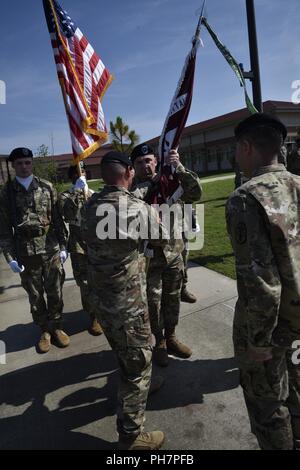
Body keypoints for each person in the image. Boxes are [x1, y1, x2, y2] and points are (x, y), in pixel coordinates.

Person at [80, 151, 168, 450]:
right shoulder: (135, 207)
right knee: (139, 361)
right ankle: (130, 437)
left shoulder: (90, 204)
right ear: (129, 172)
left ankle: (142, 387)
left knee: (124, 351)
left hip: (101, 300)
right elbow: (160, 238)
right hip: (127, 303)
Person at [225, 113, 300, 450]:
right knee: (296, 388)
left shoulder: (246, 197)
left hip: (276, 324)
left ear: (247, 146)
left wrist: (258, 340)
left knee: (268, 404)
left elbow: (260, 281)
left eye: (236, 149)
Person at [131, 143, 202, 367]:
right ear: (133, 167)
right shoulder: (131, 191)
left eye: (149, 160)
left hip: (174, 253)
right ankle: (159, 340)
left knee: (172, 298)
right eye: (140, 162)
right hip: (148, 259)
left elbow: (196, 193)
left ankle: (171, 336)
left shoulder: (171, 182)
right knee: (152, 302)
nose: (146, 165)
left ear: (156, 161)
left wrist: (178, 166)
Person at [0, 147, 69, 353]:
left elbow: (58, 219)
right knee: (35, 295)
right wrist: (10, 256)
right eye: (19, 163)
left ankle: (57, 327)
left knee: (55, 290)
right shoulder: (6, 193)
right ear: (13, 166)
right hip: (25, 251)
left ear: (32, 163)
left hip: (50, 248)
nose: (24, 166)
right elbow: (4, 229)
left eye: (27, 162)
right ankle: (44, 330)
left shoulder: (47, 187)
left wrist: (64, 245)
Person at [58, 163, 102, 336]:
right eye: (77, 172)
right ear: (71, 177)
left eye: (82, 171)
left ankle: (103, 312)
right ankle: (93, 317)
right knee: (85, 284)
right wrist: (76, 193)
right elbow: (68, 215)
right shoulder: (65, 196)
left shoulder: (96, 194)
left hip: (98, 245)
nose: (80, 174)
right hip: (79, 246)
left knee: (101, 281)